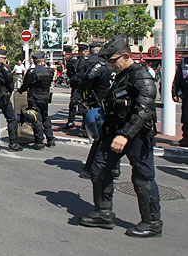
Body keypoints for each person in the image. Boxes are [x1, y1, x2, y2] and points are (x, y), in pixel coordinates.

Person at [78, 35, 162, 238]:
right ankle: (103, 212)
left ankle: (152, 222)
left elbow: (144, 110)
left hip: (136, 135)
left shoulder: (141, 76)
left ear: (126, 56)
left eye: (113, 61)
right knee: (99, 168)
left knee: (143, 178)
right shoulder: (120, 75)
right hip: (114, 131)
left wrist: (125, 135)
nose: (110, 65)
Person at [77, 43, 119, 178]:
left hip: (100, 105)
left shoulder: (99, 65)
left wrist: (83, 95)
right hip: (115, 106)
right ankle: (114, 168)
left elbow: (85, 82)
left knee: (100, 139)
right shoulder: (117, 66)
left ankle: (90, 168)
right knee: (112, 136)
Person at [0, 49, 23, 152]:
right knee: (11, 120)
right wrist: (8, 93)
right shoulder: (4, 69)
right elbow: (10, 84)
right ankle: (13, 143)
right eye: (5, 58)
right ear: (0, 59)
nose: (6, 60)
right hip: (3, 97)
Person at [18, 52, 56, 150]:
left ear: (34, 61)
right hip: (45, 97)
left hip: (34, 97)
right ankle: (50, 139)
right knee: (45, 117)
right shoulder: (50, 71)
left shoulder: (32, 72)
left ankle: (39, 141)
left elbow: (26, 85)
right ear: (43, 61)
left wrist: (20, 91)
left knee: (35, 119)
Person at [65, 44, 90, 129]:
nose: (87, 53)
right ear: (80, 52)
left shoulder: (88, 61)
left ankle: (84, 123)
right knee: (73, 103)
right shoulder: (74, 60)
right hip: (76, 85)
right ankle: (71, 121)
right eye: (85, 51)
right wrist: (73, 78)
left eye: (87, 51)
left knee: (85, 104)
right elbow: (69, 72)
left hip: (85, 85)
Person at [172, 56, 188, 147]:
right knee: (186, 117)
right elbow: (177, 78)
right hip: (186, 94)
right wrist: (174, 92)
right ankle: (186, 138)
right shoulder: (183, 62)